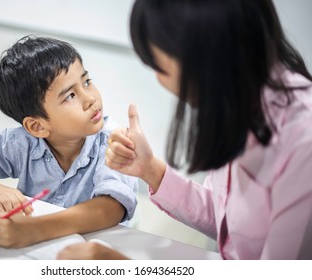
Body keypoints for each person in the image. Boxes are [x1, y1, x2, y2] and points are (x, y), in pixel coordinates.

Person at [56, 0, 312, 260]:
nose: (158, 78)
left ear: (205, 59)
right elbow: (225, 219)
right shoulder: (237, 98)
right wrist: (149, 169)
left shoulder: (303, 145)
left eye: (159, 66)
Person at [0, 36, 138, 248]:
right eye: (70, 96)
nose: (90, 98)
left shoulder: (113, 142)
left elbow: (110, 208)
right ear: (37, 127)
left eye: (86, 82)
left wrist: (34, 230)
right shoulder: (22, 143)